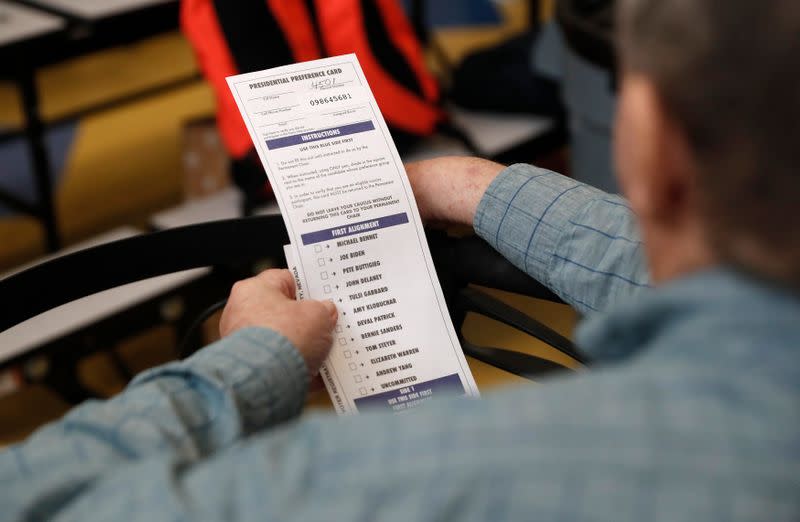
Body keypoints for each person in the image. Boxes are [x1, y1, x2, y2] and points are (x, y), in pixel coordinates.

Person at [3, 0, 799, 520]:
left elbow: (44, 503)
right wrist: (473, 188)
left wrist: (249, 363)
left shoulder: (407, 483)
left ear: (652, 144)